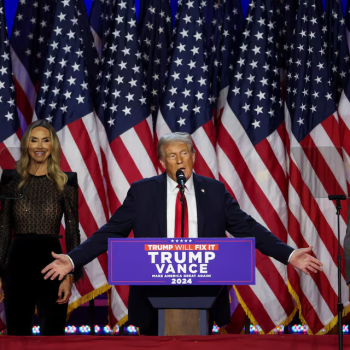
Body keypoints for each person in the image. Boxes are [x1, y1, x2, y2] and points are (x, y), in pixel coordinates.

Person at [42, 132, 323, 335]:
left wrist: (288, 254)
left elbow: (247, 227)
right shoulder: (142, 191)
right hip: (153, 292)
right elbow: (111, 231)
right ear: (162, 162)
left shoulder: (214, 191)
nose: (180, 160)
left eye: (184, 153)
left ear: (194, 156)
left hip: (203, 290)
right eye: (172, 155)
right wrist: (73, 259)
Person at [0, 120, 81, 336]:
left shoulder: (67, 181)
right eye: (34, 140)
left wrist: (69, 275)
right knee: (17, 334)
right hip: (17, 263)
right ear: (27, 144)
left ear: (52, 145)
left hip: (53, 263)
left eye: (45, 140)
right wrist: (0, 273)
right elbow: (4, 228)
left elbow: (72, 231)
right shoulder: (10, 179)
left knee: (53, 334)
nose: (39, 146)